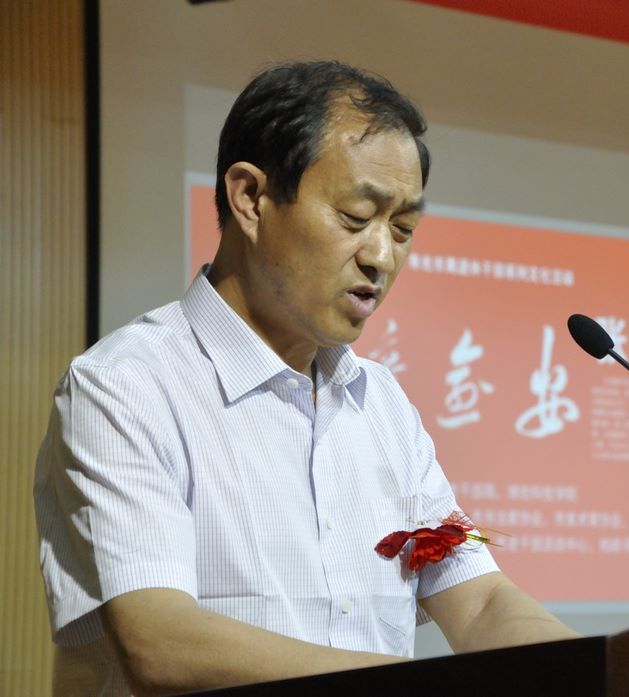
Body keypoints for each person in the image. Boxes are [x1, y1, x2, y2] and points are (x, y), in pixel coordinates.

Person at [34, 60, 577, 697]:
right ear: (250, 198)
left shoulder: (381, 404)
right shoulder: (125, 388)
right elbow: (161, 642)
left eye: (403, 229)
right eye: (355, 217)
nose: (381, 257)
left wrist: (601, 670)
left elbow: (479, 601)